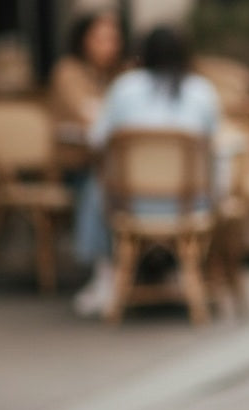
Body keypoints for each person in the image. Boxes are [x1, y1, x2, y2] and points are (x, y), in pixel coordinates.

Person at [71, 25, 221, 317]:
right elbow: (215, 147)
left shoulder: (125, 87)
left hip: (129, 205)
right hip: (189, 205)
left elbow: (98, 140)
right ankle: (180, 270)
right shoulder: (202, 92)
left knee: (94, 183)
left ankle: (104, 275)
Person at [49, 9, 126, 172]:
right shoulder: (68, 72)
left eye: (114, 40)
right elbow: (88, 114)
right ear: (83, 40)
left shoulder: (117, 74)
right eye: (102, 39)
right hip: (78, 163)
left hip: (111, 160)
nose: (110, 47)